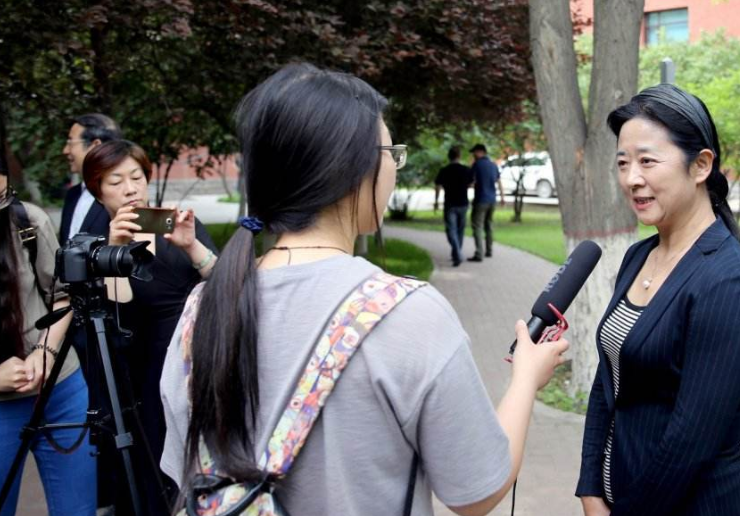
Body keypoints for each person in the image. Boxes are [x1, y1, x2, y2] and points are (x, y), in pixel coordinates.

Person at [159, 63, 568, 516]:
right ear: (354, 167)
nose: (394, 165)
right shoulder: (409, 314)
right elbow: (476, 493)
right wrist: (527, 378)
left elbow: (187, 474)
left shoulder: (203, 307)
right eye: (392, 151)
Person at [576, 84, 740, 516]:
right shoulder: (638, 256)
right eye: (623, 163)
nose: (632, 178)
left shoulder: (727, 277)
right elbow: (608, 380)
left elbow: (692, 438)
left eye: (648, 161)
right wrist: (591, 487)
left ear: (701, 165)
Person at [81, 140, 219, 515]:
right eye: (115, 181)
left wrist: (192, 248)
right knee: (151, 467)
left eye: (137, 177)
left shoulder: (175, 224)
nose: (130, 188)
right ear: (97, 190)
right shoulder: (94, 244)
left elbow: (223, 285)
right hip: (143, 371)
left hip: (194, 356)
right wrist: (115, 248)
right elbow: (117, 316)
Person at [0, 167, 96, 515]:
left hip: (60, 387)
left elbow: (63, 295)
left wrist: (45, 351)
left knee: (78, 508)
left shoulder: (27, 221)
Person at [59, 113, 122, 244]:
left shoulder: (123, 196)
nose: (65, 150)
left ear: (95, 145)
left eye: (70, 143)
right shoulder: (73, 194)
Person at [435, 146, 473, 267]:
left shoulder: (444, 170)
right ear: (459, 156)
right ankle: (457, 254)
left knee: (451, 230)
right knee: (460, 230)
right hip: (463, 203)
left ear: (449, 156)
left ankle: (457, 254)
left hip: (450, 204)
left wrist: (436, 201)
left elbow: (438, 186)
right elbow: (472, 183)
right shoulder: (466, 170)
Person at [468, 144, 505, 262]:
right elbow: (499, 181)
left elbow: (471, 181)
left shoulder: (477, 165)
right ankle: (489, 251)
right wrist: (503, 197)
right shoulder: (493, 165)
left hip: (480, 200)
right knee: (489, 226)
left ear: (480, 152)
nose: (473, 155)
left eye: (474, 152)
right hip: (492, 200)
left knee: (477, 226)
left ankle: (479, 254)